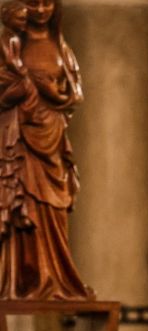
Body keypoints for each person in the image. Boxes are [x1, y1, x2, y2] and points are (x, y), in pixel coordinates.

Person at [0, 0, 93, 300]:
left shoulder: (61, 47)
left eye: (47, 3)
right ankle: (21, 280)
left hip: (52, 138)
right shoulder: (10, 45)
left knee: (54, 209)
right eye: (33, 3)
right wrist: (24, 88)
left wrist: (53, 93)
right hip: (21, 136)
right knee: (23, 206)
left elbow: (76, 94)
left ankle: (56, 278)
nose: (40, 10)